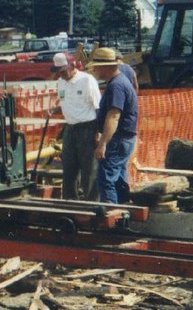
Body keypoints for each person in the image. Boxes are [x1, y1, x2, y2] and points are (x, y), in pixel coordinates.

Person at [89, 47, 139, 204]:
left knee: (106, 178)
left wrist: (102, 144)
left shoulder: (116, 86)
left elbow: (113, 116)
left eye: (96, 66)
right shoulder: (119, 82)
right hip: (124, 139)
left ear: (106, 66)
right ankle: (124, 209)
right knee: (118, 177)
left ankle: (112, 215)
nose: (94, 70)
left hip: (118, 139)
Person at [50, 52, 101, 200]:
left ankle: (92, 204)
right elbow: (67, 103)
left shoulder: (87, 80)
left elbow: (98, 107)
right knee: (69, 168)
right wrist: (56, 109)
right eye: (58, 72)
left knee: (89, 170)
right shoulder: (61, 82)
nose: (61, 75)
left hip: (88, 128)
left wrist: (98, 132)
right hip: (70, 128)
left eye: (63, 71)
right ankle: (70, 201)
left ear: (72, 66)